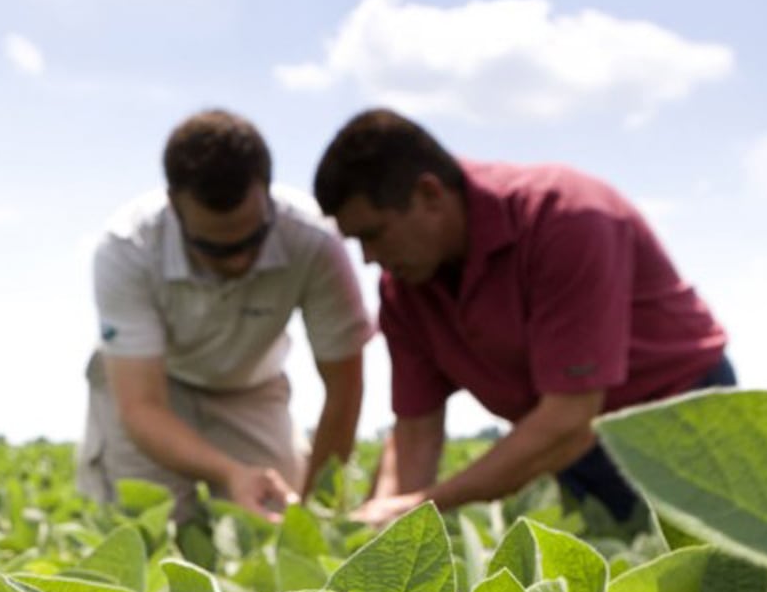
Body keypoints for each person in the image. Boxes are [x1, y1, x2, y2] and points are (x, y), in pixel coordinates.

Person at [311, 108, 734, 527]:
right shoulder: (404, 289)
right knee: (617, 572)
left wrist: (427, 502)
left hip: (685, 422)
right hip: (571, 448)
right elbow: (415, 434)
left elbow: (573, 414)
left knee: (723, 581)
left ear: (429, 194)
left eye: (373, 233)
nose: (367, 259)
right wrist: (383, 520)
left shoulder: (564, 216)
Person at [77, 109, 374, 521]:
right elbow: (142, 406)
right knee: (150, 524)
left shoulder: (315, 243)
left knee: (276, 519)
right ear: (174, 208)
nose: (238, 261)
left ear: (269, 197)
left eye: (252, 240)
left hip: (251, 387)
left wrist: (313, 520)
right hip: (154, 383)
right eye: (214, 249)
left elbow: (344, 389)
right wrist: (230, 472)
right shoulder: (128, 248)